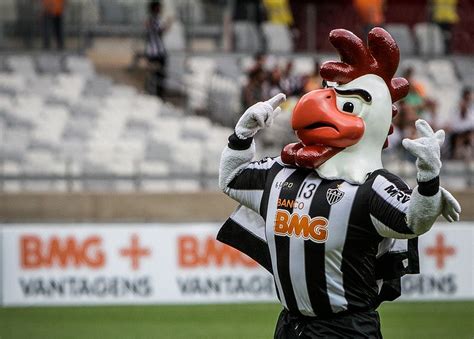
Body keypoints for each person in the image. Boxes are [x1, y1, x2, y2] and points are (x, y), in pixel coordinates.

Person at [217, 28, 460, 338]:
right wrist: (242, 134)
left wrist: (428, 179)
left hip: (347, 328)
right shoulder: (279, 172)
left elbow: (413, 220)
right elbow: (231, 180)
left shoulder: (372, 187)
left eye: (346, 104)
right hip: (291, 326)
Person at [145, 0, 172, 98]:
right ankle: (156, 95)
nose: (160, 9)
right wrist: (168, 23)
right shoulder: (153, 19)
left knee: (158, 75)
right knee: (157, 75)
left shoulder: (153, 19)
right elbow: (160, 30)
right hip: (156, 53)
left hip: (156, 52)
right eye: (158, 7)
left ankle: (156, 94)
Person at [450, 88, 474, 159]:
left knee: (471, 136)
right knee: (459, 139)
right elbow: (454, 126)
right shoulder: (456, 111)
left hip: (468, 133)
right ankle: (456, 157)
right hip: (458, 134)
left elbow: (471, 124)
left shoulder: (471, 111)